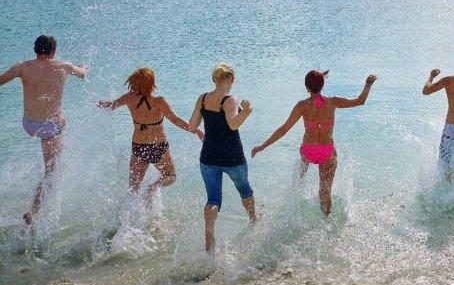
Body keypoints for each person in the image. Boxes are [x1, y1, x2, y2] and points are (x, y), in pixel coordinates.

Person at [251, 70, 378, 216]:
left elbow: (284, 129)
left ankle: (300, 181)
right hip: (326, 152)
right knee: (325, 192)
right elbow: (360, 101)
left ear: (306, 87)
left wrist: (262, 146)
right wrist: (367, 85)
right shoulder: (333, 101)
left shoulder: (302, 106)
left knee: (302, 163)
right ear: (322, 85)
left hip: (308, 151)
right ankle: (327, 221)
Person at [0, 35, 87, 225]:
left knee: (58, 133)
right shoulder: (64, 65)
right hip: (49, 126)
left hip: (29, 124)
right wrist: (83, 67)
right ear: (53, 51)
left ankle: (42, 197)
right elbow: (82, 74)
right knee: (53, 169)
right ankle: (33, 211)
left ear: (35, 50)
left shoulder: (21, 66)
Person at [98, 68, 203, 204]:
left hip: (139, 147)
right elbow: (176, 120)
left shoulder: (129, 98)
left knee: (133, 189)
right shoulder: (159, 101)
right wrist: (198, 131)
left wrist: (98, 103)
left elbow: (111, 106)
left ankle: (127, 218)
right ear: (151, 84)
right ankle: (154, 187)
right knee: (170, 176)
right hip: (158, 146)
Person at [188, 63, 258, 252]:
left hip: (208, 156)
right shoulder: (230, 100)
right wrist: (247, 111)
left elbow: (191, 126)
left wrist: (204, 132)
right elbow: (233, 125)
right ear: (231, 78)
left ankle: (209, 231)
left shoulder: (202, 99)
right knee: (245, 190)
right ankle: (253, 219)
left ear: (214, 79)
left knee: (213, 199)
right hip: (232, 157)